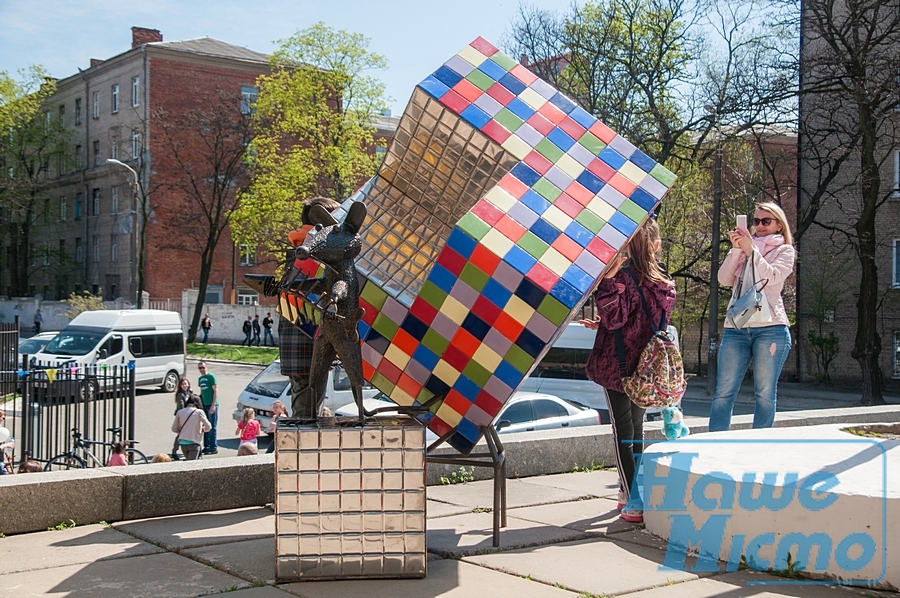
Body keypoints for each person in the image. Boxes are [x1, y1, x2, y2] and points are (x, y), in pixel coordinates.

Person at [581, 218, 676, 525]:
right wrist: (605, 324)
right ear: (655, 246)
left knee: (624, 432)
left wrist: (606, 282)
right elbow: (643, 320)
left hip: (618, 368)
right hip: (646, 368)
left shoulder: (622, 278)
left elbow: (616, 317)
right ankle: (631, 491)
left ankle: (634, 498)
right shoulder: (664, 282)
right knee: (636, 429)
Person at [709, 202, 795, 432]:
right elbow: (724, 279)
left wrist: (752, 251)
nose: (760, 226)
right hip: (736, 327)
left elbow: (772, 277)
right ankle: (716, 443)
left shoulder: (784, 250)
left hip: (771, 329)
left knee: (765, 393)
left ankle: (759, 444)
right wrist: (738, 249)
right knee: (723, 392)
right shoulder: (744, 249)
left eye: (766, 221)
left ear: (779, 225)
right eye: (756, 221)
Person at [279, 196, 341, 418]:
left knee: (305, 412)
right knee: (306, 420)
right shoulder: (315, 253)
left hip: (296, 349)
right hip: (309, 348)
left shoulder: (298, 251)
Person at [172, 396, 212, 460]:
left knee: (188, 462)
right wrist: (203, 429)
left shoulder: (180, 412)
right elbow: (209, 426)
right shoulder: (199, 412)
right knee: (192, 464)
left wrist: (182, 431)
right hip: (194, 442)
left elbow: (174, 428)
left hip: (183, 442)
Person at [196, 360, 219, 454]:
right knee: (205, 425)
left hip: (212, 404)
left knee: (212, 426)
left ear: (207, 367)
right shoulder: (200, 379)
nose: (201, 369)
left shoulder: (211, 377)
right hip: (204, 404)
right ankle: (207, 446)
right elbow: (202, 391)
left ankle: (213, 447)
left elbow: (216, 390)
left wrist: (213, 405)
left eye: (203, 367)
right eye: (200, 368)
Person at [171, 377, 195, 459]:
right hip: (182, 416)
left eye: (186, 384)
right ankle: (174, 451)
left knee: (185, 433)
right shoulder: (180, 394)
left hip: (189, 415)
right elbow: (180, 406)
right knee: (180, 434)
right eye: (182, 384)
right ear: (180, 386)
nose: (184, 385)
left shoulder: (189, 392)